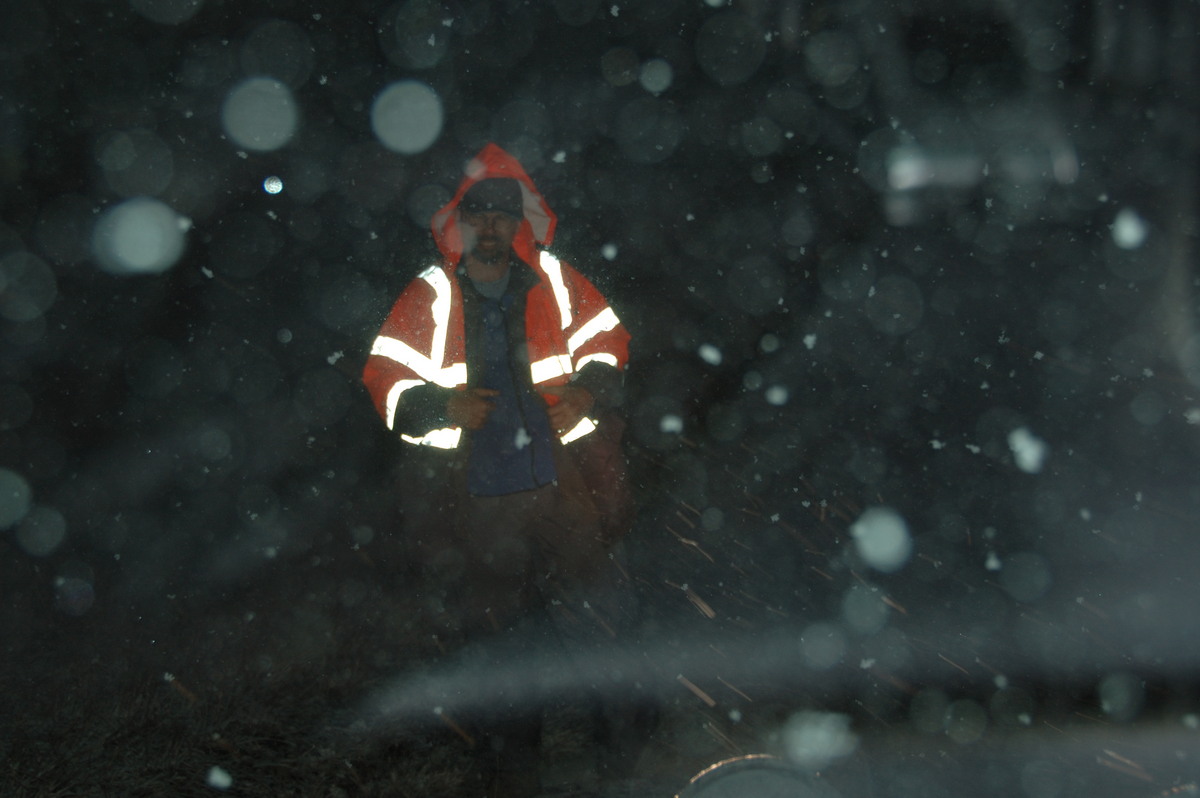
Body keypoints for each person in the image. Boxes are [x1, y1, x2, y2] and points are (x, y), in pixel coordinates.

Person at [361, 142, 652, 796]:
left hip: (562, 485)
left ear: (521, 220)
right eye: (479, 214)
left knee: (602, 623)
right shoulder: (431, 293)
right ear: (459, 222)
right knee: (501, 642)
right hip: (477, 499)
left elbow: (610, 340)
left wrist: (589, 389)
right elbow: (384, 378)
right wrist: (440, 404)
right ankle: (510, 776)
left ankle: (623, 766)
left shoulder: (556, 279)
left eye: (503, 213)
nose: (491, 226)